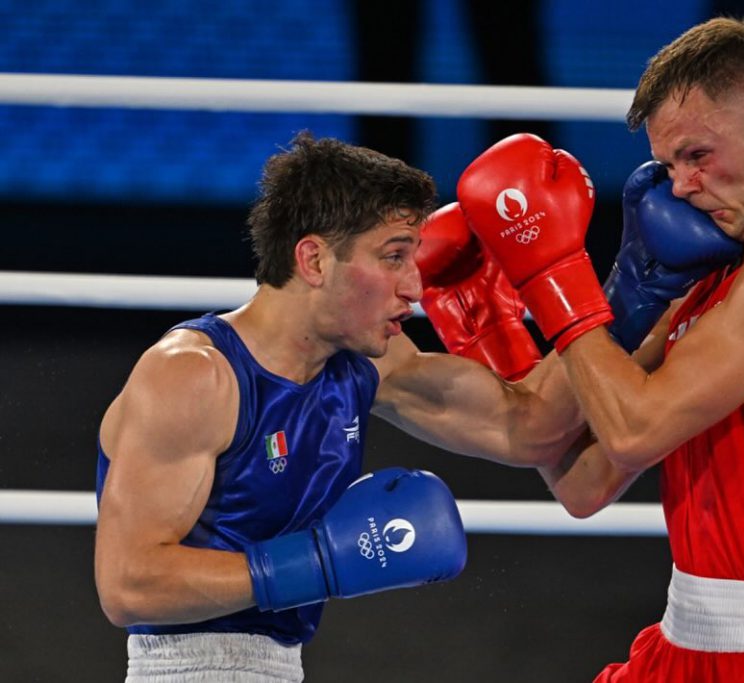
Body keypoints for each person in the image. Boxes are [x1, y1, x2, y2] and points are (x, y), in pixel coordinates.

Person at [455, 16, 744, 682]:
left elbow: (632, 431)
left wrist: (554, 274)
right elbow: (583, 481)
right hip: (680, 642)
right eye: (667, 165)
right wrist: (496, 327)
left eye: (697, 156)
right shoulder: (712, 277)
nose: (680, 185)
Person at [93, 131, 590, 680]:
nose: (415, 287)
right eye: (394, 256)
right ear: (314, 260)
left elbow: (531, 428)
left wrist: (636, 288)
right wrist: (319, 564)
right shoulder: (193, 375)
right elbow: (128, 584)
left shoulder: (368, 364)